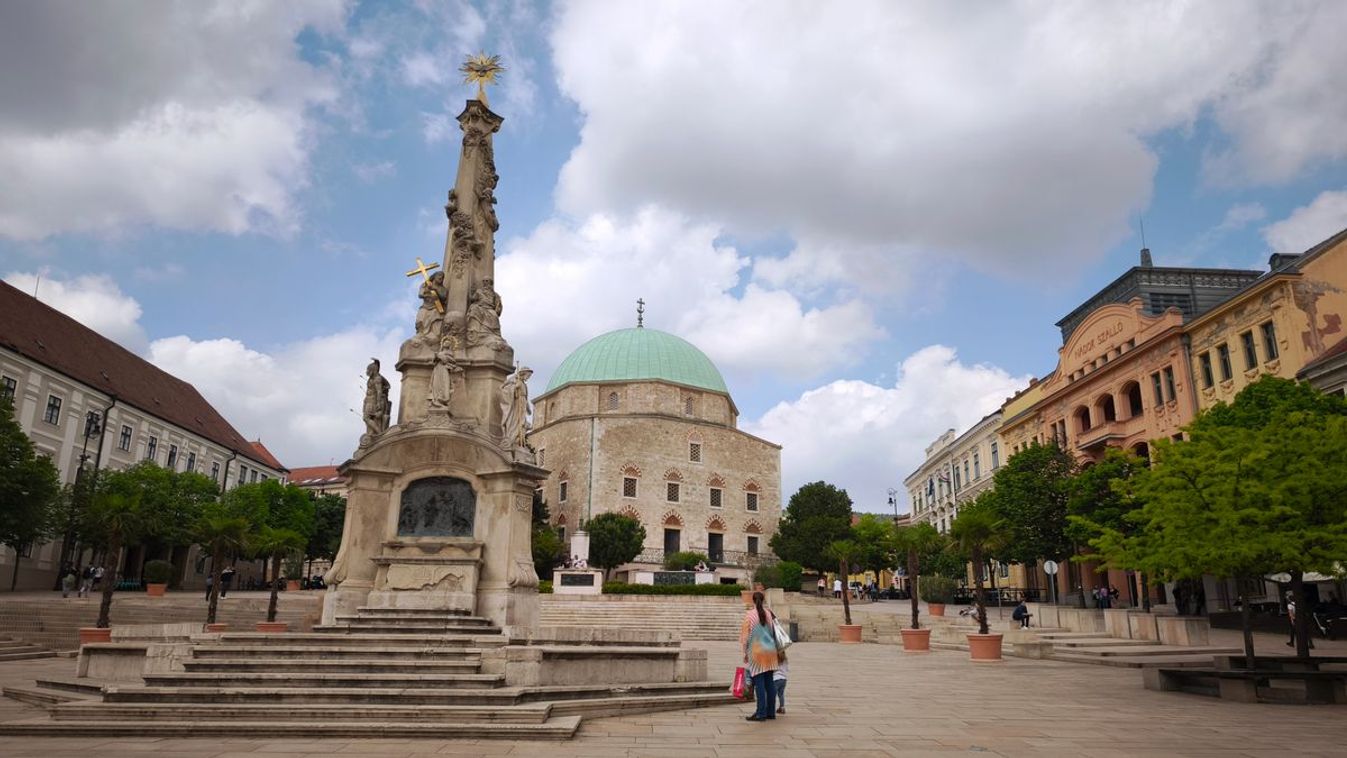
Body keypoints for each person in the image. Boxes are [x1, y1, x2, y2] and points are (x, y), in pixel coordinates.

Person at [739, 591, 780, 721]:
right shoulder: (769, 613)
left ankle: (761, 713)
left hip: (756, 653)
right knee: (770, 683)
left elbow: (745, 637)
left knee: (759, 684)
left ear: (753, 600)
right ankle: (770, 712)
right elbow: (774, 631)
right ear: (763, 600)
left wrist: (745, 653)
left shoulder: (750, 615)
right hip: (770, 651)